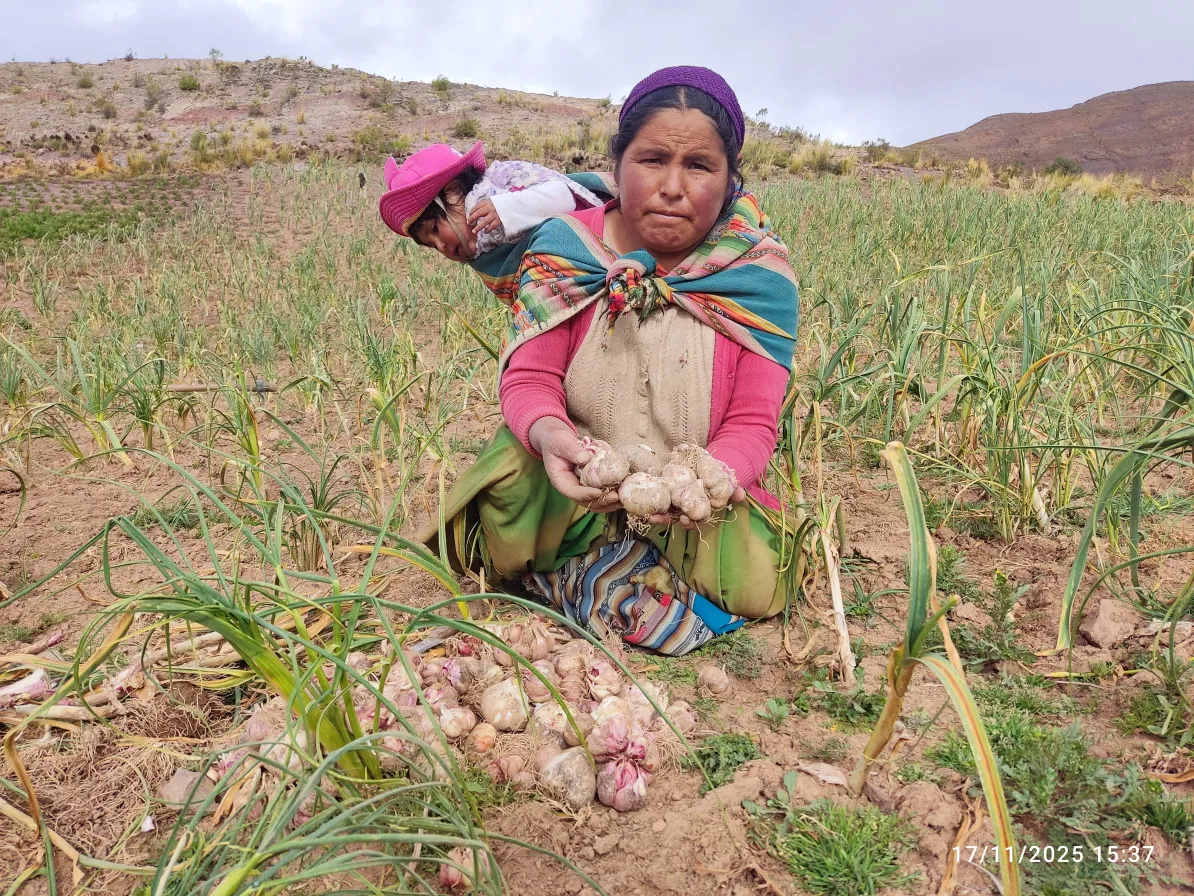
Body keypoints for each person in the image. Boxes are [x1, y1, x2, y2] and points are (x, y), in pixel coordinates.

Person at [423, 66, 800, 655]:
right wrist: (553, 440)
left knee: (761, 582)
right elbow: (530, 379)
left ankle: (590, 574)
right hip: (574, 485)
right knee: (507, 494)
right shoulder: (566, 246)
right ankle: (591, 558)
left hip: (690, 491)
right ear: (617, 166)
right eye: (652, 160)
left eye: (699, 166)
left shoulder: (758, 276)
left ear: (730, 181)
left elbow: (753, 422)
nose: (672, 187)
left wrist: (711, 478)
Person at [378, 143, 608, 300]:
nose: (441, 247)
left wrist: (508, 208)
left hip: (601, 243)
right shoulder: (483, 251)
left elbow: (564, 197)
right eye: (431, 245)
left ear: (454, 193)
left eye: (436, 229)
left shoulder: (498, 190)